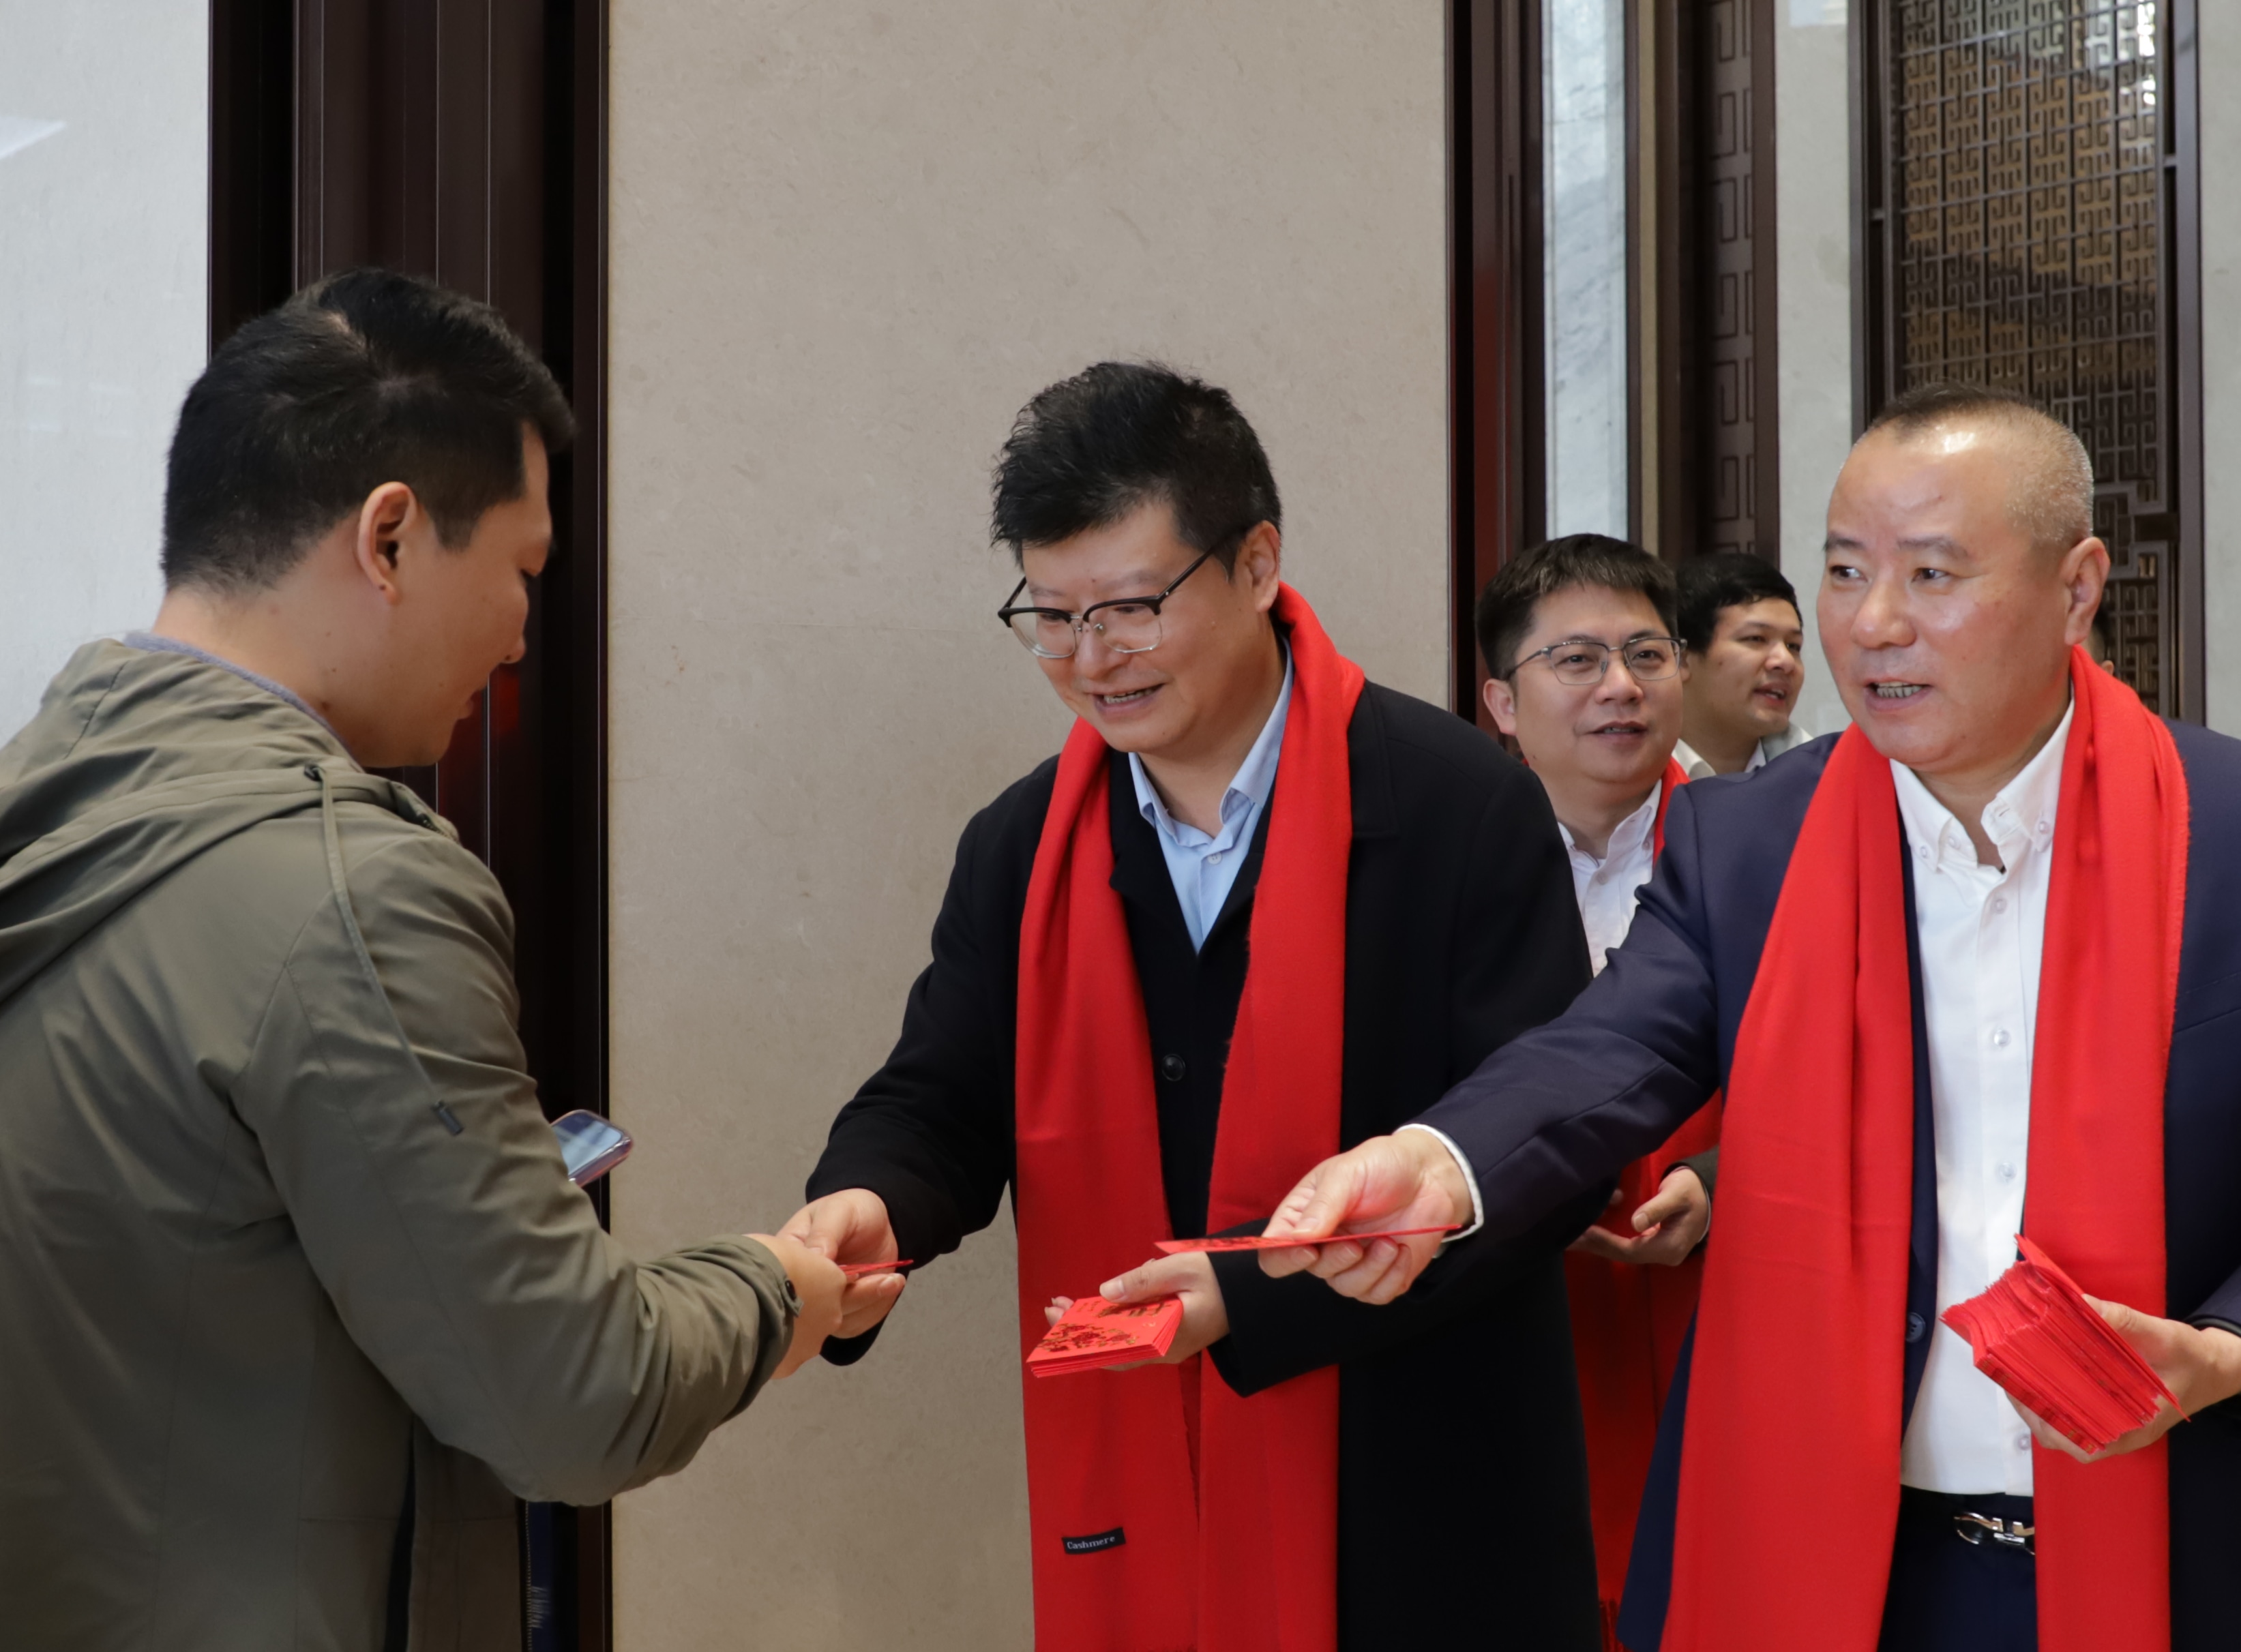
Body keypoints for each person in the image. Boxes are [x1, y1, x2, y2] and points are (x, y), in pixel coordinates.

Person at [0, 271, 847, 1650]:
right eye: (521, 569)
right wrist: (774, 1286)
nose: (520, 634)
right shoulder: (350, 888)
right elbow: (574, 1399)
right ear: (389, 536)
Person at [1257, 382, 2241, 1652]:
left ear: (2076, 586)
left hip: (2184, 1545)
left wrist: (2221, 1345)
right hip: (1846, 1556)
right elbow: (1607, 1047)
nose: (1871, 623)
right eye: (1844, 570)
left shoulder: (2222, 829)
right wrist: (1437, 1161)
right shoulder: (1750, 841)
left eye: (1932, 573)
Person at [782, 362, 1605, 1651]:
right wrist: (869, 1202)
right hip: (1147, 1476)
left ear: (1256, 562)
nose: (1088, 658)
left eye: (1128, 607)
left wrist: (1251, 1294)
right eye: (1050, 616)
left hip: (1424, 1487)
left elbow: (1544, 1151)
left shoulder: (1456, 804)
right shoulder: (1023, 845)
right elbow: (942, 1094)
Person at [1475, 535, 1717, 1638]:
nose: (1620, 686)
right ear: (1501, 701)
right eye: (1576, 659)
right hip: (1512, 1308)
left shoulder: (1759, 850)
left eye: (1646, 653)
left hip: (1722, 1304)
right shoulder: (1445, 862)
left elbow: (1868, 1079)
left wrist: (1719, 1178)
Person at [1671, 551, 1811, 779]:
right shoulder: (1629, 776)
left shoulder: (1820, 774)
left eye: (1793, 646)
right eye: (1756, 638)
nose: (1785, 661)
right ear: (1682, 659)